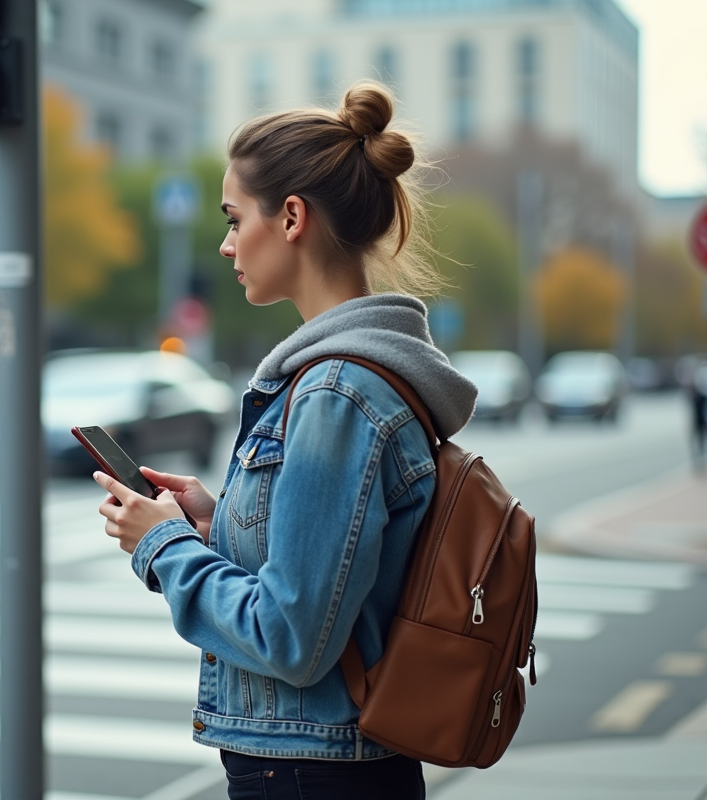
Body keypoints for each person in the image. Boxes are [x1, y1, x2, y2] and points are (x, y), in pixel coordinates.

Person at [93, 80, 476, 799]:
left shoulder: (336, 393)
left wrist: (163, 546)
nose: (226, 242)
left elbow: (293, 637)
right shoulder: (353, 376)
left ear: (292, 216)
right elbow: (332, 581)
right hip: (326, 767)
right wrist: (218, 523)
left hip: (311, 775)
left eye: (235, 218)